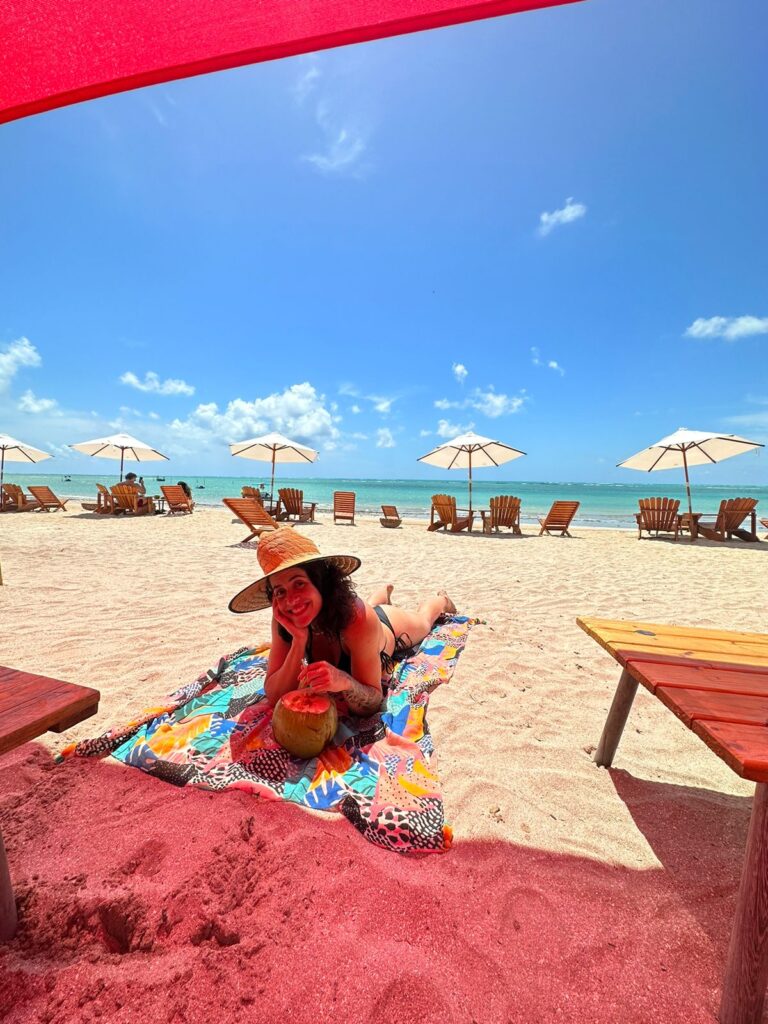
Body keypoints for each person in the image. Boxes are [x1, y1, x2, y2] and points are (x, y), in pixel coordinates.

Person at [229, 529, 456, 715]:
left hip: (386, 628)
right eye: (280, 591)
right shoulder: (285, 617)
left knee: (423, 621)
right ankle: (382, 593)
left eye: (299, 583)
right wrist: (298, 642)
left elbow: (372, 702)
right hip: (357, 624)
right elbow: (274, 695)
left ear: (321, 582)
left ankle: (441, 600)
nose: (291, 600)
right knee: (366, 610)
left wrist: (345, 682)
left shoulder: (357, 617)